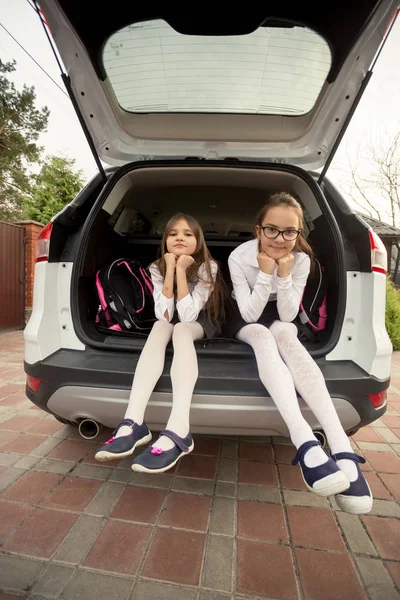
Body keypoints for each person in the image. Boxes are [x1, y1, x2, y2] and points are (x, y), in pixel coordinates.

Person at [226, 192, 372, 514]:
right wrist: (266, 273)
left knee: (287, 338)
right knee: (264, 336)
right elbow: (250, 314)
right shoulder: (238, 256)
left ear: (298, 233)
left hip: (280, 315)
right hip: (245, 315)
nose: (280, 239)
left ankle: (341, 447)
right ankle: (305, 442)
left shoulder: (301, 260)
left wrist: (284, 274)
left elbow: (290, 314)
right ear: (258, 229)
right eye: (272, 230)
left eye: (289, 231)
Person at [95, 213, 224, 473]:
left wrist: (180, 270)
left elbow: (188, 315)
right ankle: (133, 422)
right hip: (172, 320)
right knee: (160, 325)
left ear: (198, 242)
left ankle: (179, 428)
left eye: (188, 234)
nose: (180, 238)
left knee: (181, 330)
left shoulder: (208, 266)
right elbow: (163, 313)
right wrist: (169, 272)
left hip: (204, 321)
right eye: (173, 233)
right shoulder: (156, 267)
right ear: (165, 240)